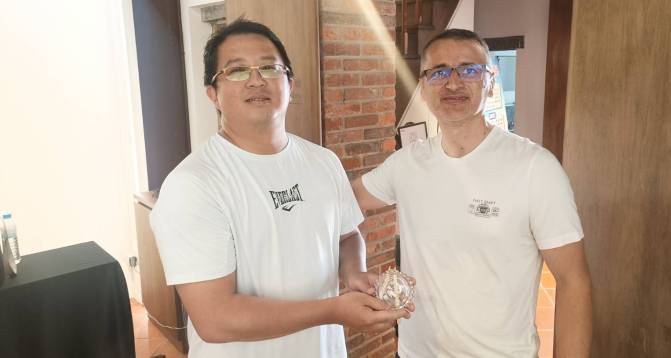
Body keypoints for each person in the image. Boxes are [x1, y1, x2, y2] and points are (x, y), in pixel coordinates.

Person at [150, 19, 411, 358]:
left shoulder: (323, 161)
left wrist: (354, 272)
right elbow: (215, 319)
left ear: (290, 83)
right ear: (213, 94)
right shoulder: (193, 184)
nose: (256, 80)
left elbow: (347, 235)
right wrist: (333, 310)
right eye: (237, 71)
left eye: (269, 68)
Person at [353, 29, 592, 357]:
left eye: (468, 70)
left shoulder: (535, 168)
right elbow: (345, 203)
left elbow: (573, 281)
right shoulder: (406, 164)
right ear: (423, 87)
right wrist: (351, 267)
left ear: (490, 81)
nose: (453, 83)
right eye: (439, 72)